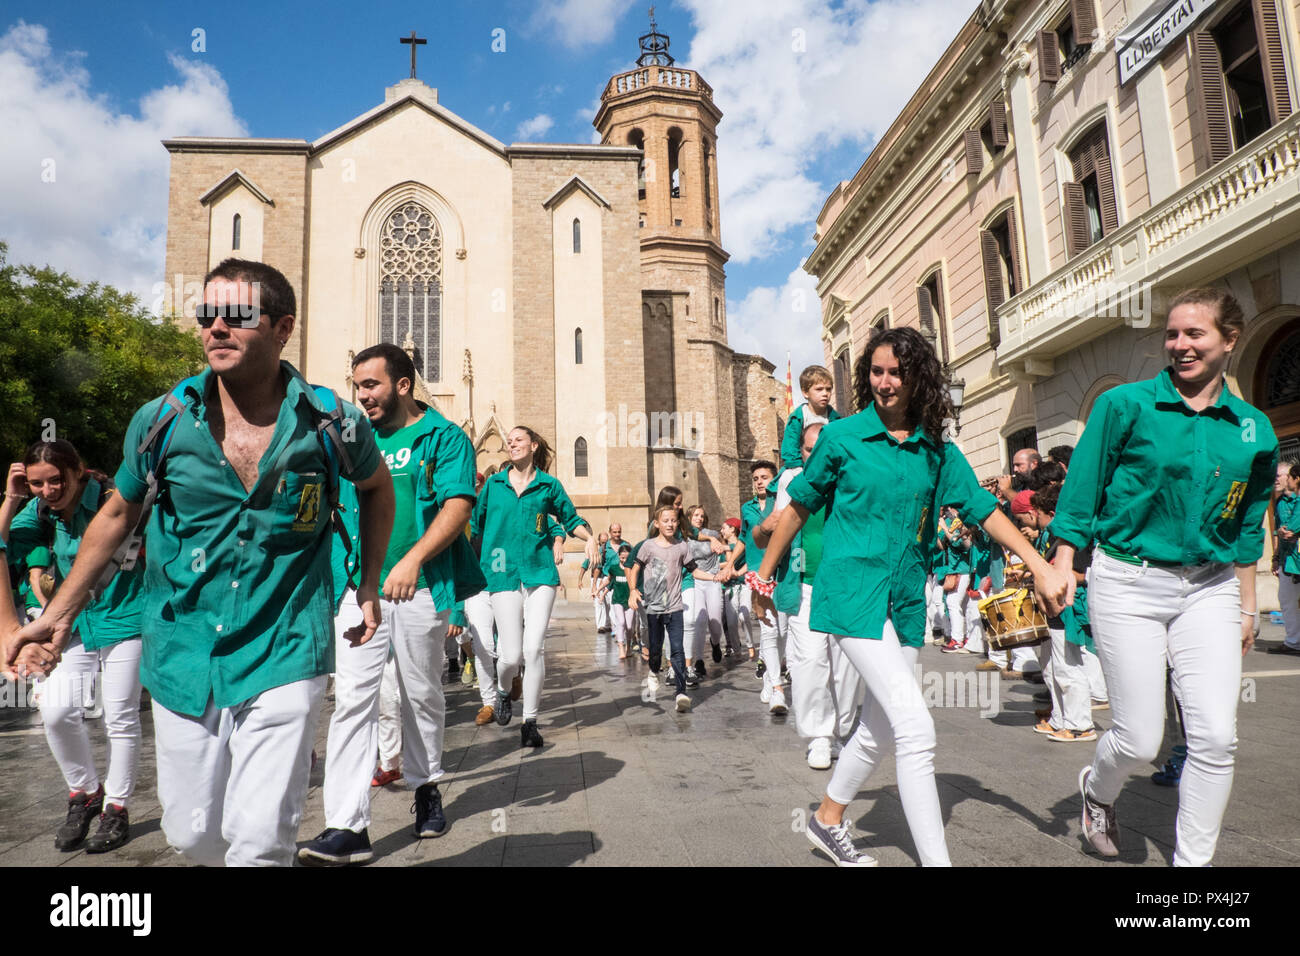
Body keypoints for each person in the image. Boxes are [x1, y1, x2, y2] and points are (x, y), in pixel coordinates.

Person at [12, 259, 392, 867]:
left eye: (237, 315)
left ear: (282, 327)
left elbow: (376, 487)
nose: (215, 327)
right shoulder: (161, 420)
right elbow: (114, 517)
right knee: (191, 834)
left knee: (261, 838)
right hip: (181, 648)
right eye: (206, 314)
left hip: (286, 644)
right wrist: (59, 614)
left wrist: (368, 581)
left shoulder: (333, 421)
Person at [751, 327, 1068, 867]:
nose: (884, 381)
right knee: (916, 728)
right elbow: (798, 507)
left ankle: (827, 820)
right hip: (851, 594)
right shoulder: (843, 438)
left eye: (895, 372)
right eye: (875, 371)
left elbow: (981, 508)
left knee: (878, 728)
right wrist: (762, 576)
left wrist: (1039, 563)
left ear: (917, 377)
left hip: (903, 600)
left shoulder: (936, 450)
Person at [1047, 288, 1279, 866]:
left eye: (1194, 334)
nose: (1179, 345)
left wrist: (1247, 606)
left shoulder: (1254, 429)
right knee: (1140, 739)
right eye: (1172, 334)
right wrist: (1061, 562)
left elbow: (1249, 525)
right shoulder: (1125, 406)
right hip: (1127, 580)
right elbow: (1080, 493)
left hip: (1211, 587)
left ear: (1230, 341)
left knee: (1216, 740)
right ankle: (1097, 791)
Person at [299, 343, 482, 865]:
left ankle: (426, 786)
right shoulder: (350, 439)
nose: (362, 396)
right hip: (360, 588)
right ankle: (346, 824)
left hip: (421, 587)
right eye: (357, 386)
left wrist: (414, 560)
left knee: (420, 693)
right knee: (354, 700)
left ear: (402, 385)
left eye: (371, 385)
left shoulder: (443, 437)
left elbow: (458, 505)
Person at [1, 441, 145, 853]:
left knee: (120, 715)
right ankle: (84, 793)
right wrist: (11, 501)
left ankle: (116, 808)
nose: (47, 490)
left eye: (55, 480)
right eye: (36, 484)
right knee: (57, 710)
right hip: (75, 624)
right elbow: (1, 540)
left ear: (78, 470)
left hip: (128, 618)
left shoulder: (111, 500)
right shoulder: (40, 509)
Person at [471, 427, 591, 748]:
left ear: (533, 446)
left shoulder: (548, 486)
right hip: (500, 573)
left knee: (533, 648)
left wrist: (590, 538)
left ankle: (531, 722)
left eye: (518, 439)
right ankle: (502, 690)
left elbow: (571, 518)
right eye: (509, 441)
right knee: (509, 656)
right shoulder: (494, 485)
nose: (512, 443)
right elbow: (472, 524)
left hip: (540, 574)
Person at [755, 421, 863, 766]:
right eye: (807, 449)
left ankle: (843, 730)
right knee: (810, 661)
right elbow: (765, 536)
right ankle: (818, 735)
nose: (814, 455)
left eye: (821, 447)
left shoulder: (853, 481)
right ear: (799, 453)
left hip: (848, 586)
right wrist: (763, 576)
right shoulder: (793, 484)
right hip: (803, 585)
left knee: (846, 666)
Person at [627, 504, 701, 713]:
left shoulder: (682, 547)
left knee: (677, 649)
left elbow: (694, 571)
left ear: (678, 523)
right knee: (656, 648)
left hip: (675, 606)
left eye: (674, 520)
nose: (670, 523)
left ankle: (681, 692)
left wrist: (716, 576)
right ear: (657, 524)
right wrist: (633, 590)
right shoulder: (648, 546)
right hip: (655, 606)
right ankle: (652, 671)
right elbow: (634, 568)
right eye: (665, 520)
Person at [740, 460, 784, 688]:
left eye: (764, 477)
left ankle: (772, 673)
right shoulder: (747, 508)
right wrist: (730, 565)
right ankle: (773, 685)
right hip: (757, 572)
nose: (759, 481)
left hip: (781, 571)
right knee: (768, 628)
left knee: (782, 630)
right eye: (756, 478)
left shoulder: (781, 503)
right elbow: (743, 538)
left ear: (774, 479)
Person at [780, 365, 841, 471]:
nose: (825, 394)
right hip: (801, 468)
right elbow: (790, 449)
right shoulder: (797, 418)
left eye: (828, 389)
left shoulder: (835, 419)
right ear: (805, 392)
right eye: (819, 389)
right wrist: (799, 470)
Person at [1270, 459, 1300, 655]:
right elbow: (1281, 533)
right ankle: (1293, 641)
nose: (1277, 480)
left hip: (1296, 559)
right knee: (1287, 601)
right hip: (1288, 560)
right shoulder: (1279, 502)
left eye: (1281, 476)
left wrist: (1288, 531)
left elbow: (1288, 531)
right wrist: (1275, 557)